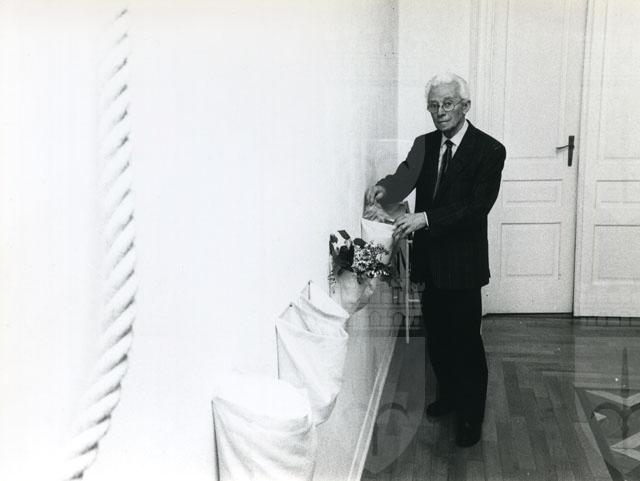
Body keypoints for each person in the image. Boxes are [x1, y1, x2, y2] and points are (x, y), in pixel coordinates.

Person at [365, 73, 505, 447]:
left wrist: (424, 219)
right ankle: (450, 397)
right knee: (439, 337)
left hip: (463, 264)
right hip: (430, 261)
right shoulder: (424, 144)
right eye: (433, 105)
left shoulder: (490, 150)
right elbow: (404, 178)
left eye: (447, 103)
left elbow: (476, 207)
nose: (440, 111)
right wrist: (383, 189)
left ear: (465, 106)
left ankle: (471, 416)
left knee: (466, 341)